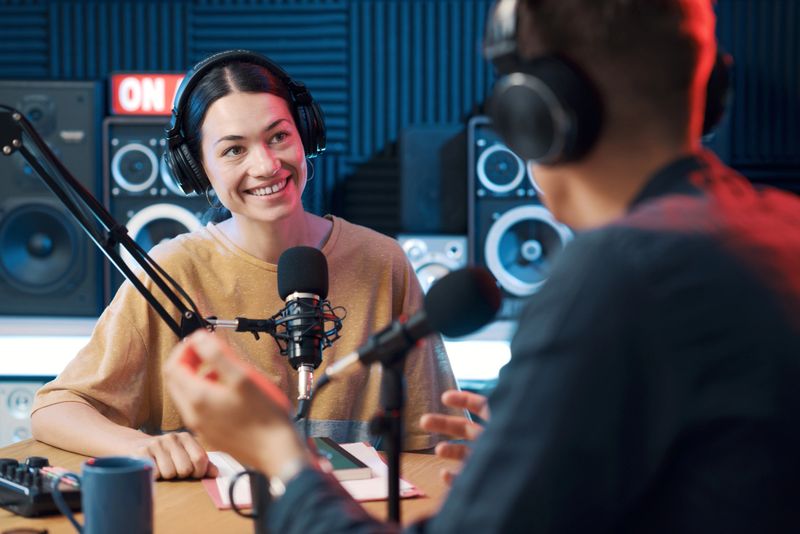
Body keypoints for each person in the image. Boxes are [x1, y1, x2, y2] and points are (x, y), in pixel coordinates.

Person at [164, 0, 800, 532]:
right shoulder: (781, 227)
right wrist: (547, 453)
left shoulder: (615, 275)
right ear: (711, 90)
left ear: (534, 109)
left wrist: (279, 455)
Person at [30, 50, 459, 480]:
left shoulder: (383, 263)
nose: (266, 165)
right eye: (234, 150)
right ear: (198, 169)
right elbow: (55, 408)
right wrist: (140, 446)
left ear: (306, 135)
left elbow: (432, 438)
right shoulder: (171, 272)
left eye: (279, 136)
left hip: (341, 511)